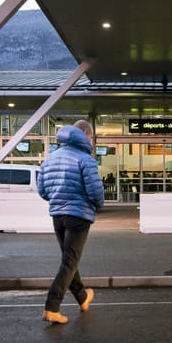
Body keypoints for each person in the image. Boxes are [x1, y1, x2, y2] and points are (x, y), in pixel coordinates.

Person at [37, 119, 104, 325]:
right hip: (78, 215)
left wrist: (57, 200)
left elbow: (42, 190)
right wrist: (97, 205)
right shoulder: (85, 159)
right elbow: (95, 191)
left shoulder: (51, 158)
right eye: (91, 137)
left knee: (69, 259)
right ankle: (52, 307)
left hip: (58, 215)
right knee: (69, 262)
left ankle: (82, 297)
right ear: (86, 135)